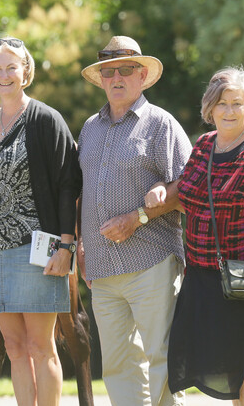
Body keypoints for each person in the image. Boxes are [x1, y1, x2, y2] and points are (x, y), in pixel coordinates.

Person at [145, 66, 244, 406]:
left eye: (237, 104)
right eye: (222, 104)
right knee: (232, 370)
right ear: (210, 109)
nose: (229, 111)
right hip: (205, 277)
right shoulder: (203, 147)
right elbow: (187, 199)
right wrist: (159, 188)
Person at [0, 37, 81, 406]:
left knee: (40, 345)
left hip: (37, 249)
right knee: (13, 348)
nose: (4, 74)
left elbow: (67, 184)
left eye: (11, 66)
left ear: (25, 71)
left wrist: (66, 245)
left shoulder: (45, 119)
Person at [77, 35, 192, 406]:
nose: (116, 78)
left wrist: (138, 217)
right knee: (117, 366)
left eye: (126, 70)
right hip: (101, 268)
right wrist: (81, 243)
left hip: (152, 262)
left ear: (142, 75)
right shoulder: (89, 129)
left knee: (161, 358)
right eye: (108, 72)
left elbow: (188, 188)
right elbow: (84, 192)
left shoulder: (161, 124)